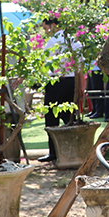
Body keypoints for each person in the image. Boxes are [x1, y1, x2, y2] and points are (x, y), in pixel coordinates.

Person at [39, 17, 79, 162]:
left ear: (53, 25)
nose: (46, 32)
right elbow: (79, 64)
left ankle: (54, 152)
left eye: (46, 28)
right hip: (71, 80)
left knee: (51, 116)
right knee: (69, 116)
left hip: (56, 80)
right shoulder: (73, 40)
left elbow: (46, 63)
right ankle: (73, 149)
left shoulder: (53, 41)